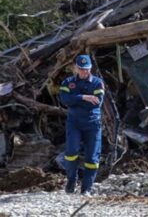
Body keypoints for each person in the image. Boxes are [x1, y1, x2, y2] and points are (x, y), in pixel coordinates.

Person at [59, 54, 105, 195]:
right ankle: (71, 182)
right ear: (76, 68)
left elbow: (98, 101)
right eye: (81, 69)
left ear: (91, 68)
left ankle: (86, 189)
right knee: (71, 152)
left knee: (92, 158)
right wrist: (83, 97)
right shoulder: (68, 82)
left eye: (87, 69)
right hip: (74, 123)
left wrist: (75, 100)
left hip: (92, 124)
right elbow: (65, 100)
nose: (84, 72)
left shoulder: (97, 83)